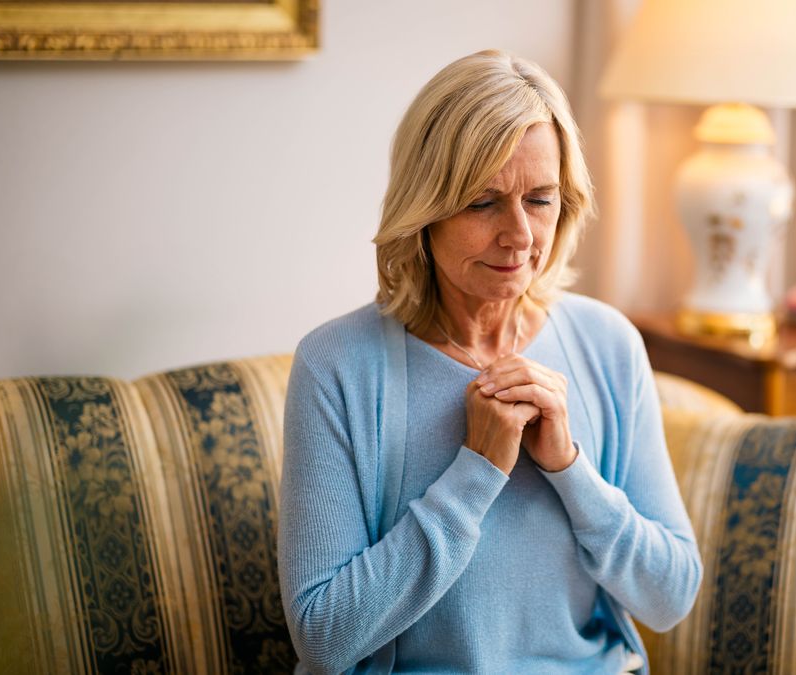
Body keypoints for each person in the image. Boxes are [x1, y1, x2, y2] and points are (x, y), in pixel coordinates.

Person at [278, 49, 702, 674]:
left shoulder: (607, 343)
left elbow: (671, 597)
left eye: (540, 199)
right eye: (483, 202)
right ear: (424, 209)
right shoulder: (337, 365)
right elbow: (322, 638)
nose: (521, 236)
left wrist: (570, 469)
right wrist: (474, 473)